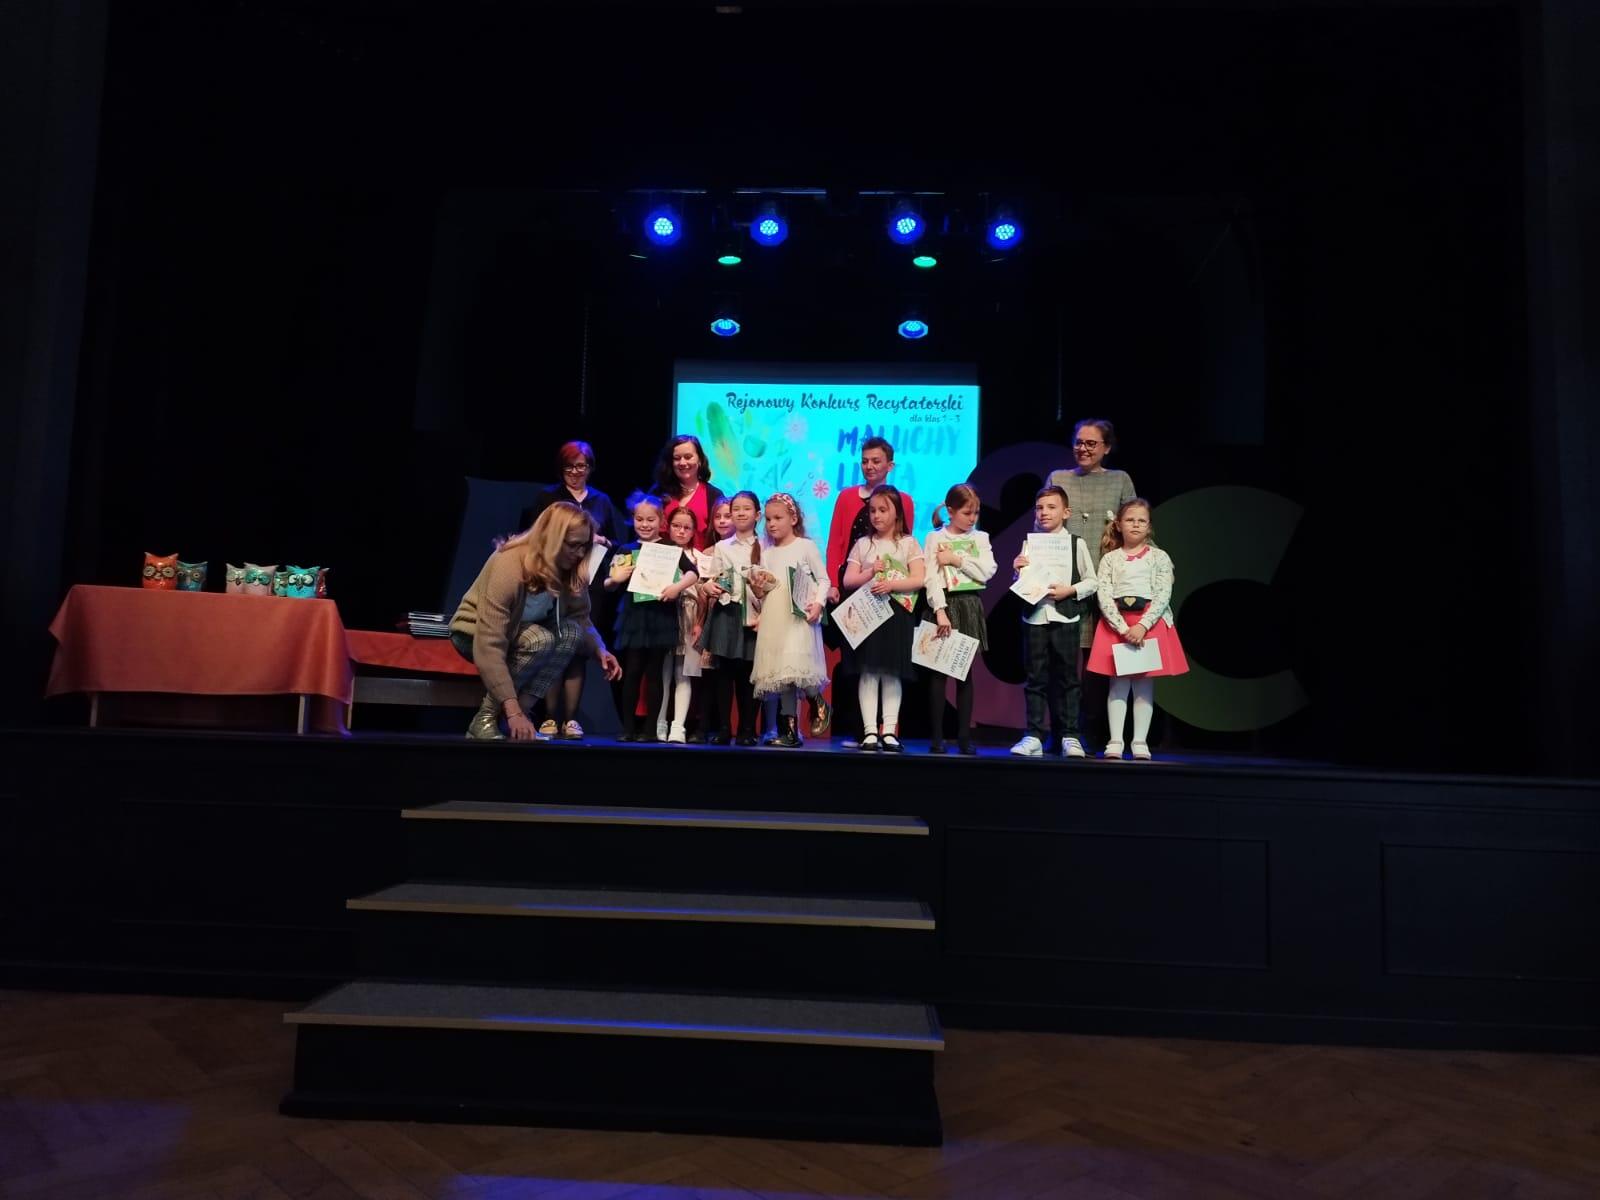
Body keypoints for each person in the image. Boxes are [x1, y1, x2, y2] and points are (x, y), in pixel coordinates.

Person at [449, 502, 622, 741]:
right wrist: (511, 710)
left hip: (521, 633)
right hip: (475, 634)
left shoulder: (570, 568)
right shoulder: (508, 562)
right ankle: (486, 718)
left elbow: (579, 617)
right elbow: (490, 642)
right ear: (551, 539)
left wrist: (600, 649)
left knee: (570, 633)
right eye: (573, 545)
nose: (580, 553)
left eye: (584, 546)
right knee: (540, 639)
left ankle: (521, 712)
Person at [1047, 419, 1137, 750]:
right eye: (1078, 442)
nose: (1083, 448)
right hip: (1064, 587)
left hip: (1107, 588)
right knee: (1060, 664)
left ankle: (1091, 733)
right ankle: (1061, 732)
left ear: (1107, 448)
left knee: (1097, 667)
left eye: (1091, 443)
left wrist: (1154, 561)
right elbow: (1043, 525)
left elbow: (1135, 524)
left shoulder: (1119, 480)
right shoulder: (1059, 478)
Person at [1087, 498, 1190, 761]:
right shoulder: (1110, 559)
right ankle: (1115, 741)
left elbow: (1163, 593)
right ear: (1118, 525)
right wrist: (1123, 628)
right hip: (1117, 625)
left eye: (1141, 520)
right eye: (1130, 519)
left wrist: (1143, 625)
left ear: (1149, 526)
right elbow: (1104, 594)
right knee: (1118, 685)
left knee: (1144, 686)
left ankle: (1140, 741)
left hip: (1149, 624)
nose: (1135, 524)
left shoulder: (1159, 557)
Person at [824, 437, 913, 740]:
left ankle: (887, 730)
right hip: (855, 589)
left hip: (890, 594)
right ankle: (861, 731)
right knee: (858, 664)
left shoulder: (904, 500)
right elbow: (836, 541)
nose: (869, 466)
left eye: (876, 461)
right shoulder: (847, 497)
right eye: (865, 461)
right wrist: (833, 584)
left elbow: (904, 545)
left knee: (887, 665)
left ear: (890, 465)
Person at [1009, 485, 1097, 759]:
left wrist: (1069, 590)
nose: (1044, 512)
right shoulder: (1030, 544)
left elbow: (1092, 581)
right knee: (1035, 678)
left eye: (1051, 507)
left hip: (1065, 616)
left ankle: (1070, 735)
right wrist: (1017, 571)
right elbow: (1022, 583)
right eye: (1039, 508)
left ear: (1066, 512)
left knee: (1068, 678)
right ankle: (1034, 735)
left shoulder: (1076, 544)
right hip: (1035, 616)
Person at [604, 492, 698, 742]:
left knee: (655, 674)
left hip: (660, 617)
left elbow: (693, 573)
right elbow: (607, 583)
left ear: (661, 521)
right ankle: (627, 728)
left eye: (650, 520)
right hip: (635, 618)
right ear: (632, 519)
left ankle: (650, 730)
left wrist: (676, 588)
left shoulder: (670, 548)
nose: (644, 525)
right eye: (639, 520)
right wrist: (615, 579)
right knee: (633, 671)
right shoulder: (627, 549)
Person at [841, 485, 925, 753]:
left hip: (896, 614)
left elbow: (919, 578)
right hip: (869, 615)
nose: (876, 515)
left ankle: (888, 730)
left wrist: (891, 585)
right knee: (868, 671)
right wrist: (869, 572)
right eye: (872, 510)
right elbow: (848, 580)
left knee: (892, 672)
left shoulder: (908, 543)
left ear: (896, 512)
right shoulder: (863, 544)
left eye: (882, 510)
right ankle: (869, 731)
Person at [748, 493, 828, 748]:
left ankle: (818, 701)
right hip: (775, 617)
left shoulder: (805, 546)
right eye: (769, 519)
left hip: (797, 617)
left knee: (796, 667)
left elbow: (823, 579)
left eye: (778, 518)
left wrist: (818, 603)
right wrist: (758, 587)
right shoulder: (768, 553)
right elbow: (767, 588)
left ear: (793, 519)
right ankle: (790, 732)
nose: (772, 524)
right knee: (783, 674)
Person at [922, 483, 997, 755]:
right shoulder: (935, 538)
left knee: (964, 672)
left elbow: (988, 570)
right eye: (967, 513)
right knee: (938, 673)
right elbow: (930, 576)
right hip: (942, 604)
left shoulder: (980, 538)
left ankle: (964, 736)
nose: (972, 518)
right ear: (951, 511)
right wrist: (940, 610)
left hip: (968, 605)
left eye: (975, 513)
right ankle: (937, 737)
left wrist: (956, 559)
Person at [696, 494, 757, 744]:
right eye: (736, 509)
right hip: (725, 612)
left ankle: (747, 729)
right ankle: (724, 728)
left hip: (753, 615)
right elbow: (712, 578)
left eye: (746, 509)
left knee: (748, 674)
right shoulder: (723, 546)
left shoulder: (765, 545)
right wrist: (708, 586)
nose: (741, 513)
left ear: (757, 515)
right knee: (724, 674)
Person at [658, 507, 705, 744]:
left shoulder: (700, 558)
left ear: (694, 531)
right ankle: (660, 723)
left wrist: (700, 621)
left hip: (689, 615)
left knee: (683, 673)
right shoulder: (660, 552)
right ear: (668, 526)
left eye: (687, 527)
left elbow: (705, 595)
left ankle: (679, 726)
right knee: (663, 673)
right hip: (665, 615)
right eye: (676, 526)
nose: (681, 531)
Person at [523, 441, 623, 545]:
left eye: (580, 466)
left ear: (589, 468)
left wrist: (602, 540)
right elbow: (533, 536)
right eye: (568, 466)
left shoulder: (602, 500)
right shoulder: (547, 496)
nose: (574, 471)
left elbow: (614, 543)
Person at [655, 434, 726, 551]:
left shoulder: (714, 495)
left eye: (688, 457)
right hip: (661, 559)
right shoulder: (657, 492)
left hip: (700, 561)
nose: (682, 462)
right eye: (677, 458)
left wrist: (714, 549)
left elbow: (726, 533)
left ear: (700, 460)